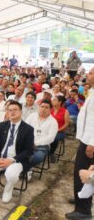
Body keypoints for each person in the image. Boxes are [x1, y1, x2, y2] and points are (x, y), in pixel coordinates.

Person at [66, 67, 94, 220]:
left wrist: (92, 143)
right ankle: (81, 198)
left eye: (90, 73)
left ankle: (83, 211)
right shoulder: (92, 92)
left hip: (90, 142)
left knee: (85, 174)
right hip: (86, 139)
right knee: (81, 173)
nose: (87, 75)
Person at [26, 100, 58, 175]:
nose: (43, 109)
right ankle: (25, 168)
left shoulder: (53, 122)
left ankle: (26, 168)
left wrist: (36, 143)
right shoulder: (32, 116)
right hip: (27, 144)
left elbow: (51, 138)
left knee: (36, 157)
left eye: (46, 107)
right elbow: (24, 128)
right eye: (42, 106)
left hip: (41, 147)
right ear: (39, 107)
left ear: (50, 109)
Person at [50, 95, 70, 163]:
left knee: (54, 138)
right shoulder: (50, 109)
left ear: (60, 102)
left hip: (60, 132)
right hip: (49, 130)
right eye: (52, 99)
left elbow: (66, 124)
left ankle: (51, 153)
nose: (52, 101)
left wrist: (58, 130)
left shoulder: (65, 111)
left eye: (55, 100)